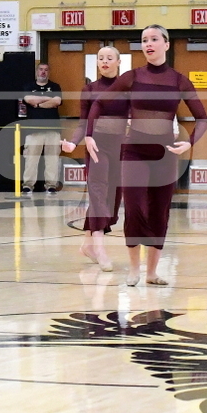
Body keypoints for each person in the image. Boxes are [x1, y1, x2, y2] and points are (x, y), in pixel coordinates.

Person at [86, 25, 207, 286]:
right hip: (134, 152)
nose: (148, 44)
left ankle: (152, 273)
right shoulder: (131, 77)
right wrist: (88, 134)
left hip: (166, 155)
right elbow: (98, 103)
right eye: (144, 40)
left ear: (166, 44)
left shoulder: (179, 80)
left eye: (154, 39)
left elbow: (203, 118)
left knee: (159, 212)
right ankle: (134, 269)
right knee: (133, 207)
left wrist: (189, 143)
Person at [63, 46, 130, 272]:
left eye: (109, 58)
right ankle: (100, 249)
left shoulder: (127, 89)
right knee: (98, 192)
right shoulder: (90, 89)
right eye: (101, 58)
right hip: (96, 147)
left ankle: (87, 245)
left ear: (118, 62)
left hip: (120, 148)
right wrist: (73, 142)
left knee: (112, 198)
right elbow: (83, 123)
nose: (104, 61)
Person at [20, 62, 64, 194]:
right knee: (31, 159)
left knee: (52, 159)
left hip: (53, 129)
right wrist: (48, 99)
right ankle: (28, 185)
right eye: (41, 69)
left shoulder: (55, 86)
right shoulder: (29, 86)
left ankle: (51, 185)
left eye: (46, 70)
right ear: (36, 71)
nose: (43, 72)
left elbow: (57, 101)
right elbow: (28, 99)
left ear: (49, 72)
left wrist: (38, 105)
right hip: (33, 129)